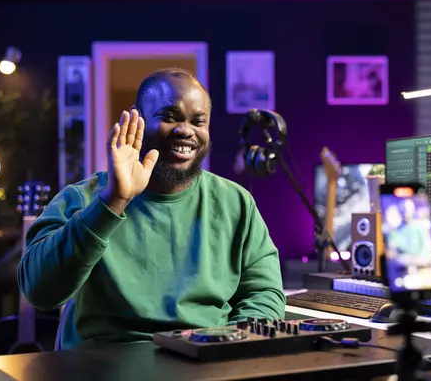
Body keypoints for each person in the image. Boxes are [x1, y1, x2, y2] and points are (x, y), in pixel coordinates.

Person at [17, 68, 286, 349]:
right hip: (104, 365)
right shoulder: (82, 199)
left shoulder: (236, 203)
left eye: (198, 121)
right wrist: (112, 202)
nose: (186, 131)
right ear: (138, 119)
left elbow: (263, 293)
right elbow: (39, 291)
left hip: (204, 358)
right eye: (169, 117)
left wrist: (230, 345)